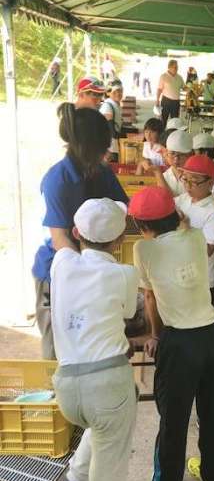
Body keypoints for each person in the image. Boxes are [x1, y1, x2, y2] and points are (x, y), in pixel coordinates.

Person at [130, 187, 214, 481]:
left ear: (141, 225)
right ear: (174, 214)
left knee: (173, 421)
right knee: (213, 414)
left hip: (179, 343)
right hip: (211, 336)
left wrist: (155, 335)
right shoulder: (197, 238)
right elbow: (184, 224)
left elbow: (150, 297)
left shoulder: (143, 250)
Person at [49, 198, 138, 481]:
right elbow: (128, 312)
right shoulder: (126, 274)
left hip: (67, 388)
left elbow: (57, 235)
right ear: (121, 238)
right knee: (110, 467)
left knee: (100, 424)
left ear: (77, 232)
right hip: (107, 384)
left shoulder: (62, 263)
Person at [32, 103, 128, 358]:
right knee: (59, 347)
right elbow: (59, 237)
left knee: (90, 342)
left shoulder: (101, 173)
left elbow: (123, 209)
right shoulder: (57, 180)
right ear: (87, 148)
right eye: (103, 148)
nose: (107, 153)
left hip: (93, 268)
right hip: (58, 272)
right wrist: (89, 272)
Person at [175, 155, 214, 307]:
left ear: (210, 182)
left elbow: (208, 250)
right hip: (182, 274)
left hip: (203, 280)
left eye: (194, 181)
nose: (188, 186)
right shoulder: (183, 199)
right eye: (185, 179)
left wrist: (186, 229)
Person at [151, 130, 193, 197]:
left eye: (181, 155)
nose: (176, 159)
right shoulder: (164, 177)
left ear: (190, 155)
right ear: (167, 153)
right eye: (172, 153)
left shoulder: (196, 179)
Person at [100, 79, 123, 161]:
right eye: (115, 91)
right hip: (109, 149)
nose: (118, 94)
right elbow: (112, 131)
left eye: (120, 91)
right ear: (108, 93)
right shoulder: (107, 106)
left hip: (113, 146)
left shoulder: (115, 105)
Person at [156, 59, 184, 127]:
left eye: (177, 67)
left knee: (175, 122)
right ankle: (162, 132)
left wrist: (190, 88)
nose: (176, 69)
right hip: (166, 101)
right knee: (163, 120)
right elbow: (159, 89)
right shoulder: (163, 76)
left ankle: (173, 133)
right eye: (175, 67)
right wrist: (157, 100)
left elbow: (183, 87)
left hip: (176, 102)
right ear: (169, 67)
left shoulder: (179, 77)